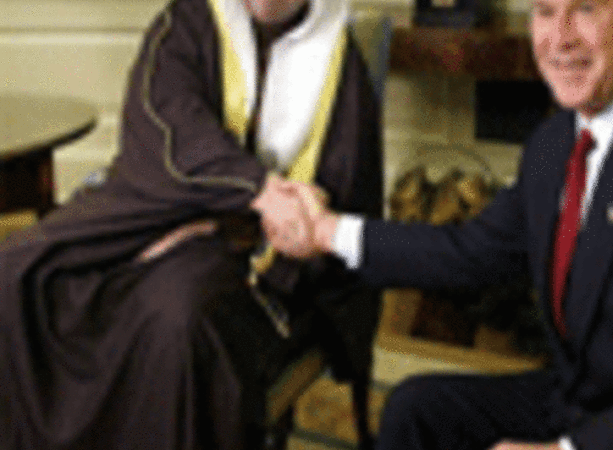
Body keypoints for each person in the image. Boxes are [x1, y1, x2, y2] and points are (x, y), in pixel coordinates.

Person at [261, 0, 613, 448]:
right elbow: (469, 251)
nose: (559, 38)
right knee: (415, 411)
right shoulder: (556, 143)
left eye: (585, 9)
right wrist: (327, 231)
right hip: (580, 397)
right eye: (545, 10)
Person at [0, 0, 384, 448]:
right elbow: (169, 129)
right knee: (17, 271)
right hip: (154, 208)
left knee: (175, 317)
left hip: (260, 255)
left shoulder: (339, 63)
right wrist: (255, 189)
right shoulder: (187, 22)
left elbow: (331, 202)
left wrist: (234, 223)